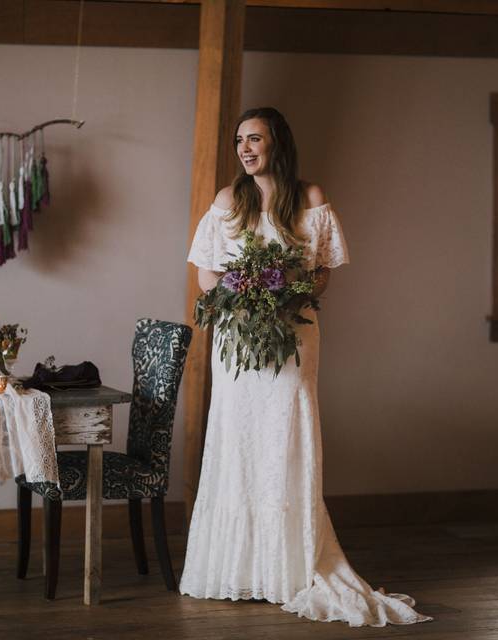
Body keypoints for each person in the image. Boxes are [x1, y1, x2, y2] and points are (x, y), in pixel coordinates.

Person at [180, 107, 432, 627]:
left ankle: (287, 566)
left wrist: (287, 295)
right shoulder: (229, 201)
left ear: (278, 143)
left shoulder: (311, 199)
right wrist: (243, 295)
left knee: (287, 438)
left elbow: (321, 276)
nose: (245, 148)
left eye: (255, 138)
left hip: (294, 335)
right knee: (238, 439)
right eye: (239, 141)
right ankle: (235, 567)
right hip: (239, 341)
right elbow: (206, 275)